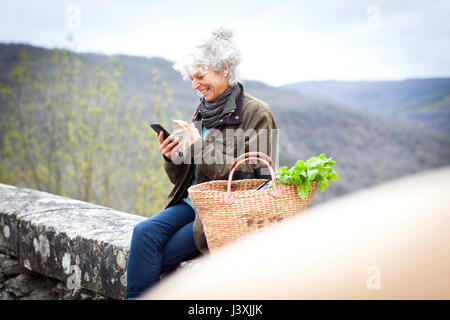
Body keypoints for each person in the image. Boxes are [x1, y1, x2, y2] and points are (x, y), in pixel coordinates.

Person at [126, 26, 278, 299]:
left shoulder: (257, 113)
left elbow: (257, 183)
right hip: (192, 204)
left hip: (222, 214)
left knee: (153, 253)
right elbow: (191, 177)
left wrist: (200, 147)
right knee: (144, 233)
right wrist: (173, 157)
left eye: (200, 76)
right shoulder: (205, 109)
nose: (195, 85)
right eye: (191, 77)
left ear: (225, 69)